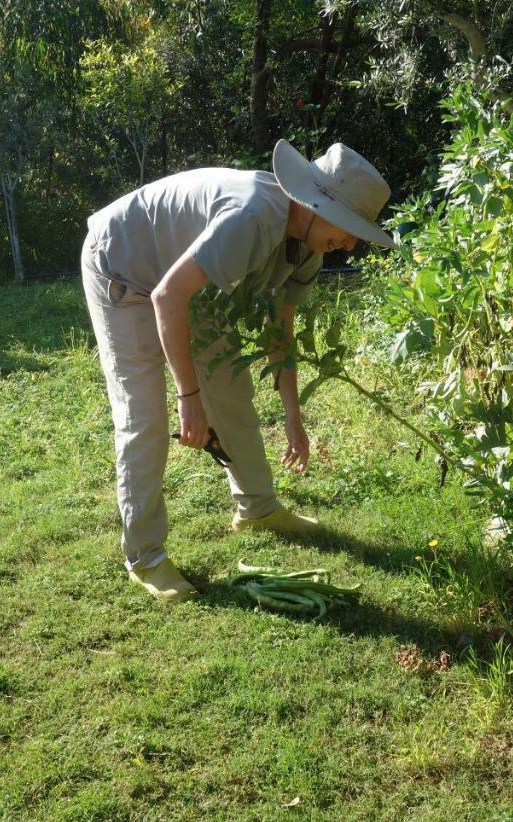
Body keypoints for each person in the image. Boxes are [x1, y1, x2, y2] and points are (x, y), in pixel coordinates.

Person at [80, 139, 397, 602]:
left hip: (188, 283)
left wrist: (293, 415)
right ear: (313, 204)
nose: (349, 243)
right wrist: (188, 399)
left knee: (230, 384)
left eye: (355, 232)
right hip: (123, 269)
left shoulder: (308, 245)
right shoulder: (252, 217)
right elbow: (167, 297)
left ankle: (257, 508)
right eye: (346, 228)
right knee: (144, 418)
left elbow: (278, 331)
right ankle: (145, 556)